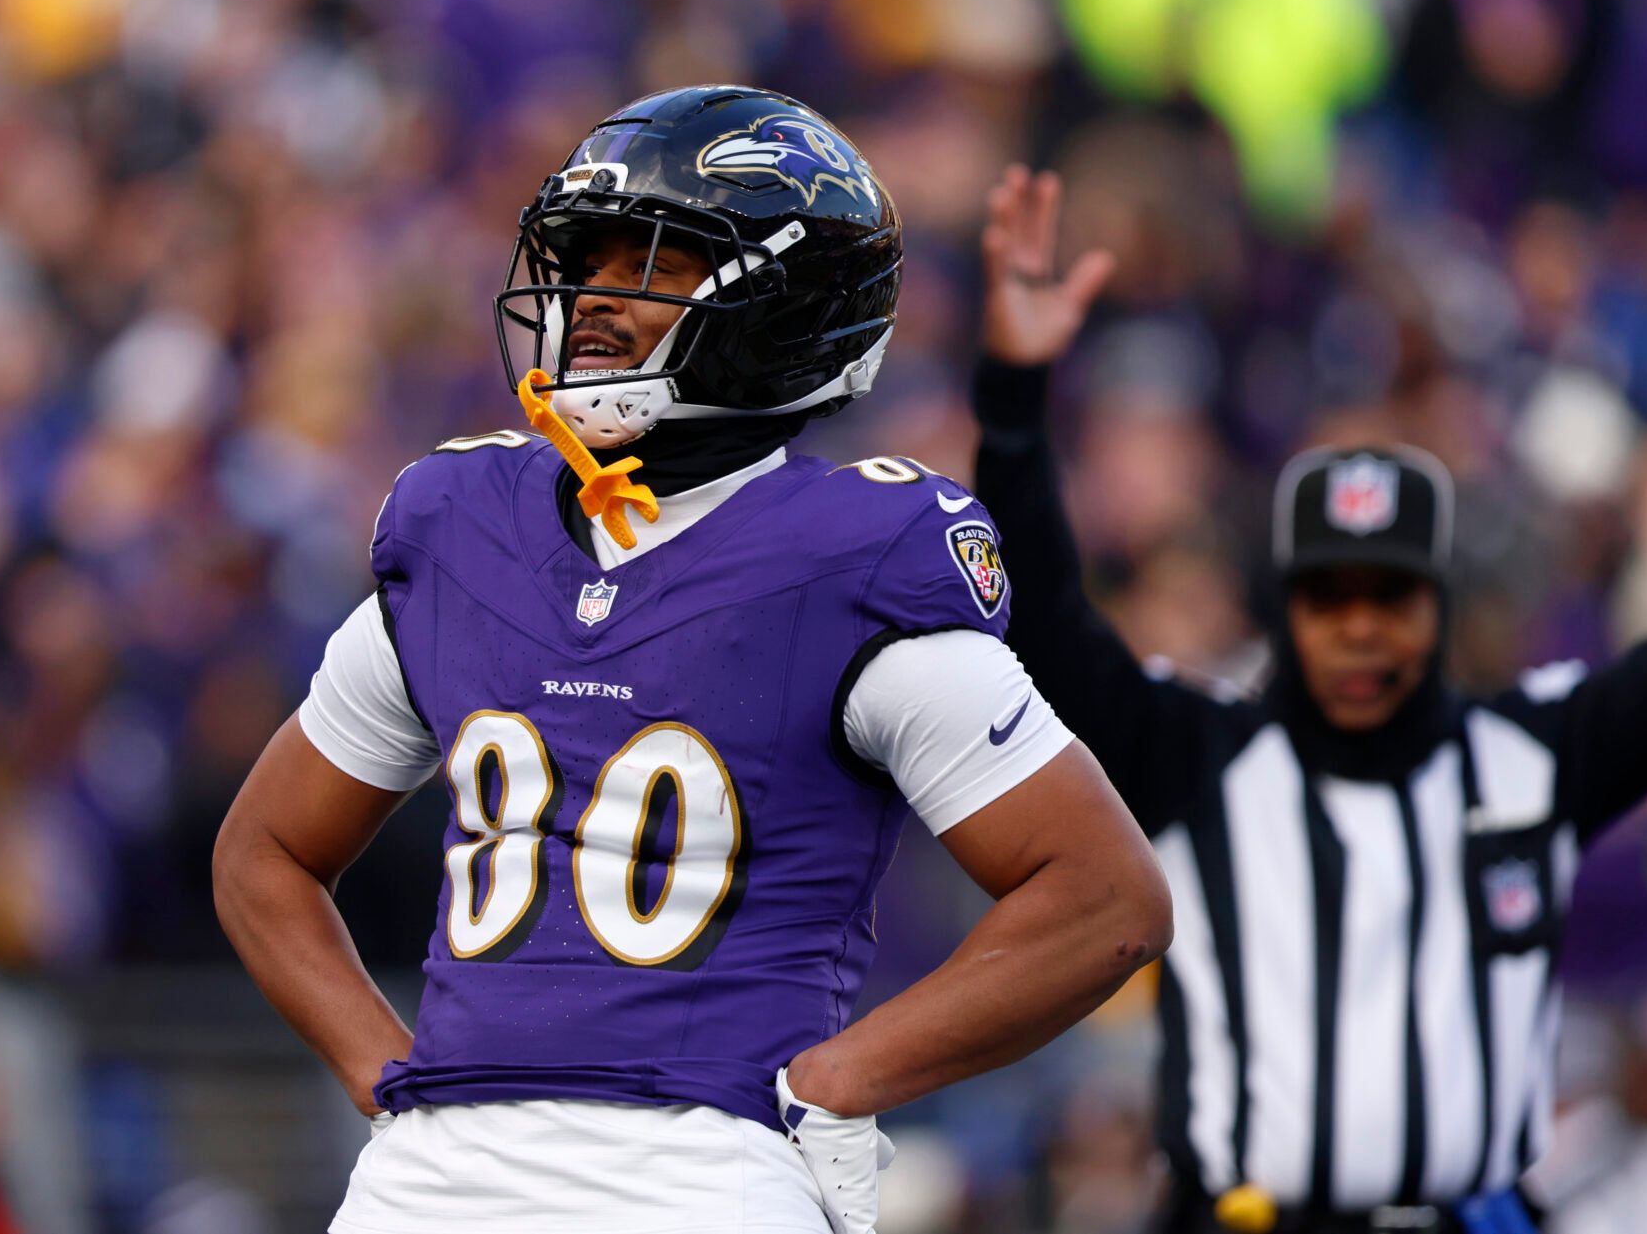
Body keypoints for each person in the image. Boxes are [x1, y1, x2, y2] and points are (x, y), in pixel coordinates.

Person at [212, 88, 1173, 1234]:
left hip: (698, 1167)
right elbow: (265, 851)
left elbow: (1104, 898)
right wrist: (391, 1080)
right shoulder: (463, 527)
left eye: (652, 266)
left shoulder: (851, 559)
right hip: (438, 1173)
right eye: (589, 261)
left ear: (780, 308)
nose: (595, 302)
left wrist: (840, 1078)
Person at [969, 165, 1647, 1233]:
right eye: (1329, 596)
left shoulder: (1531, 760)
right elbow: (1047, 625)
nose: (1362, 626)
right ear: (1286, 610)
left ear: (1439, 607)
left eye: (1391, 594)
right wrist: (1012, 400)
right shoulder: (1197, 757)